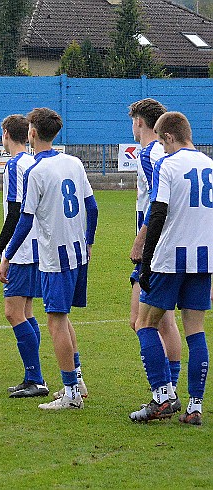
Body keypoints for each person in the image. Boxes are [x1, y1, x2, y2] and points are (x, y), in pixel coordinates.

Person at [0, 107, 98, 410]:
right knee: (63, 318)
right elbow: (92, 208)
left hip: (54, 257)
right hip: (77, 252)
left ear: (31, 133)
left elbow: (25, 221)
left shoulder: (35, 171)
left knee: (55, 321)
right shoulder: (74, 162)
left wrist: (6, 257)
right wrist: (89, 242)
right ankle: (76, 379)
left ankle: (70, 393)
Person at [130, 111, 212, 425]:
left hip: (170, 259)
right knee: (195, 329)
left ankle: (162, 396)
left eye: (163, 144)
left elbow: (158, 213)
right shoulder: (210, 165)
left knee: (144, 323)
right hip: (203, 260)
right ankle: (195, 407)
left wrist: (146, 262)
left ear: (168, 137)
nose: (162, 150)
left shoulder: (168, 164)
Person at [0, 115, 48, 398]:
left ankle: (36, 378)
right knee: (26, 312)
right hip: (39, 246)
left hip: (22, 249)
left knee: (12, 312)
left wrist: (0, 252)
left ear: (7, 134)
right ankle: (32, 376)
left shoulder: (14, 165)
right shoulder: (34, 162)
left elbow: (15, 213)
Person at [127, 99, 182, 412]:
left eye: (133, 121)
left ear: (139, 122)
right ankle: (170, 390)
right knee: (166, 323)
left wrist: (141, 240)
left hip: (154, 249)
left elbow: (157, 203)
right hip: (168, 245)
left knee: (140, 321)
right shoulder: (163, 151)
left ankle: (163, 394)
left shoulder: (150, 153)